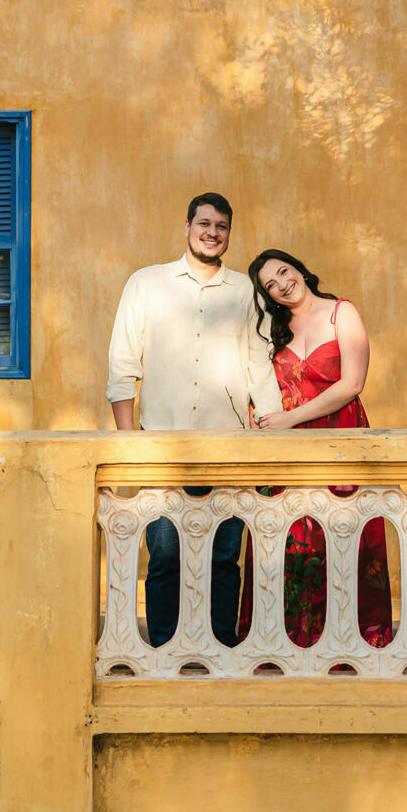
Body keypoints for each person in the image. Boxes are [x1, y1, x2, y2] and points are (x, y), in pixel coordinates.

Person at [107, 192, 284, 648]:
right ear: (186, 227)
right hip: (160, 446)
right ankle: (165, 646)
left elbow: (258, 363)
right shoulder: (146, 284)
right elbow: (124, 363)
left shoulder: (244, 291)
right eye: (204, 223)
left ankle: (221, 646)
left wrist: (271, 430)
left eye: (221, 226)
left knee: (225, 557)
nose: (212, 232)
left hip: (230, 447)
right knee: (165, 555)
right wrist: (129, 444)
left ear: (228, 233)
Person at [239, 248, 394, 648]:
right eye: (270, 285)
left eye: (284, 272)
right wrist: (259, 415)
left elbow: (352, 384)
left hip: (340, 440)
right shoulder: (272, 328)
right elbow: (256, 379)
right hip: (285, 450)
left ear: (301, 270)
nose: (281, 285)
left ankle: (350, 641)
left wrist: (292, 418)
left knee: (344, 536)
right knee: (287, 541)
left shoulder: (341, 313)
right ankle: (283, 640)